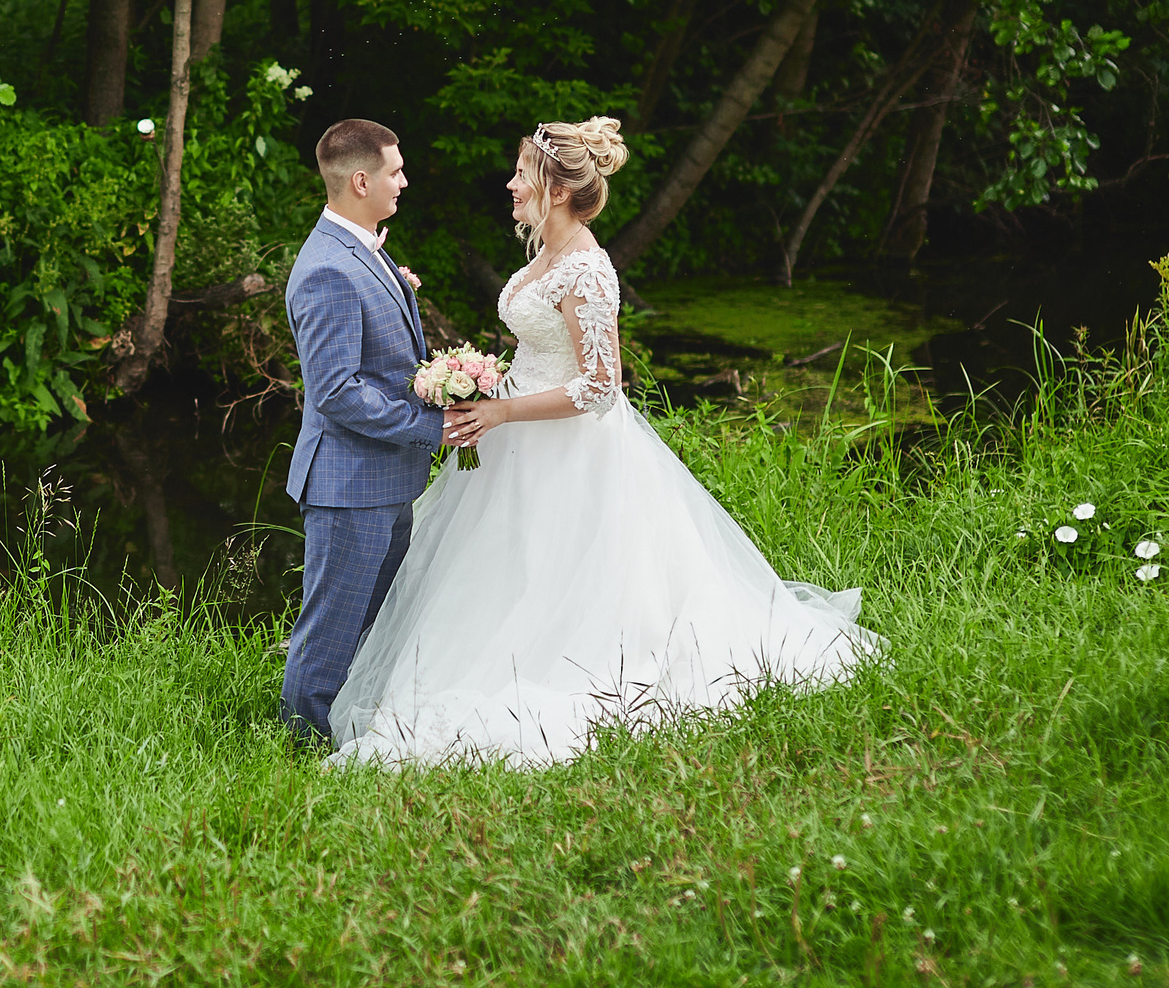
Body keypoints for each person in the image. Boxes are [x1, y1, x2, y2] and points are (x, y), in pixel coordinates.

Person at [328, 116, 880, 768]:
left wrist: (504, 410)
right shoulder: (545, 256)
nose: (510, 185)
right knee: (505, 568)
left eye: (522, 174)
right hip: (515, 442)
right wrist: (479, 383)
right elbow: (541, 350)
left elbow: (599, 386)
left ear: (558, 190)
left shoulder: (587, 270)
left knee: (564, 571)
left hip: (570, 451)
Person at [279, 117, 444, 743]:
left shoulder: (361, 248)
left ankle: (354, 733)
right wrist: (431, 426)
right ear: (360, 181)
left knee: (373, 623)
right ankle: (303, 744)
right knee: (331, 628)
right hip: (348, 484)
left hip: (384, 478)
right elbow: (337, 391)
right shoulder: (328, 268)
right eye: (395, 171)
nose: (404, 181)